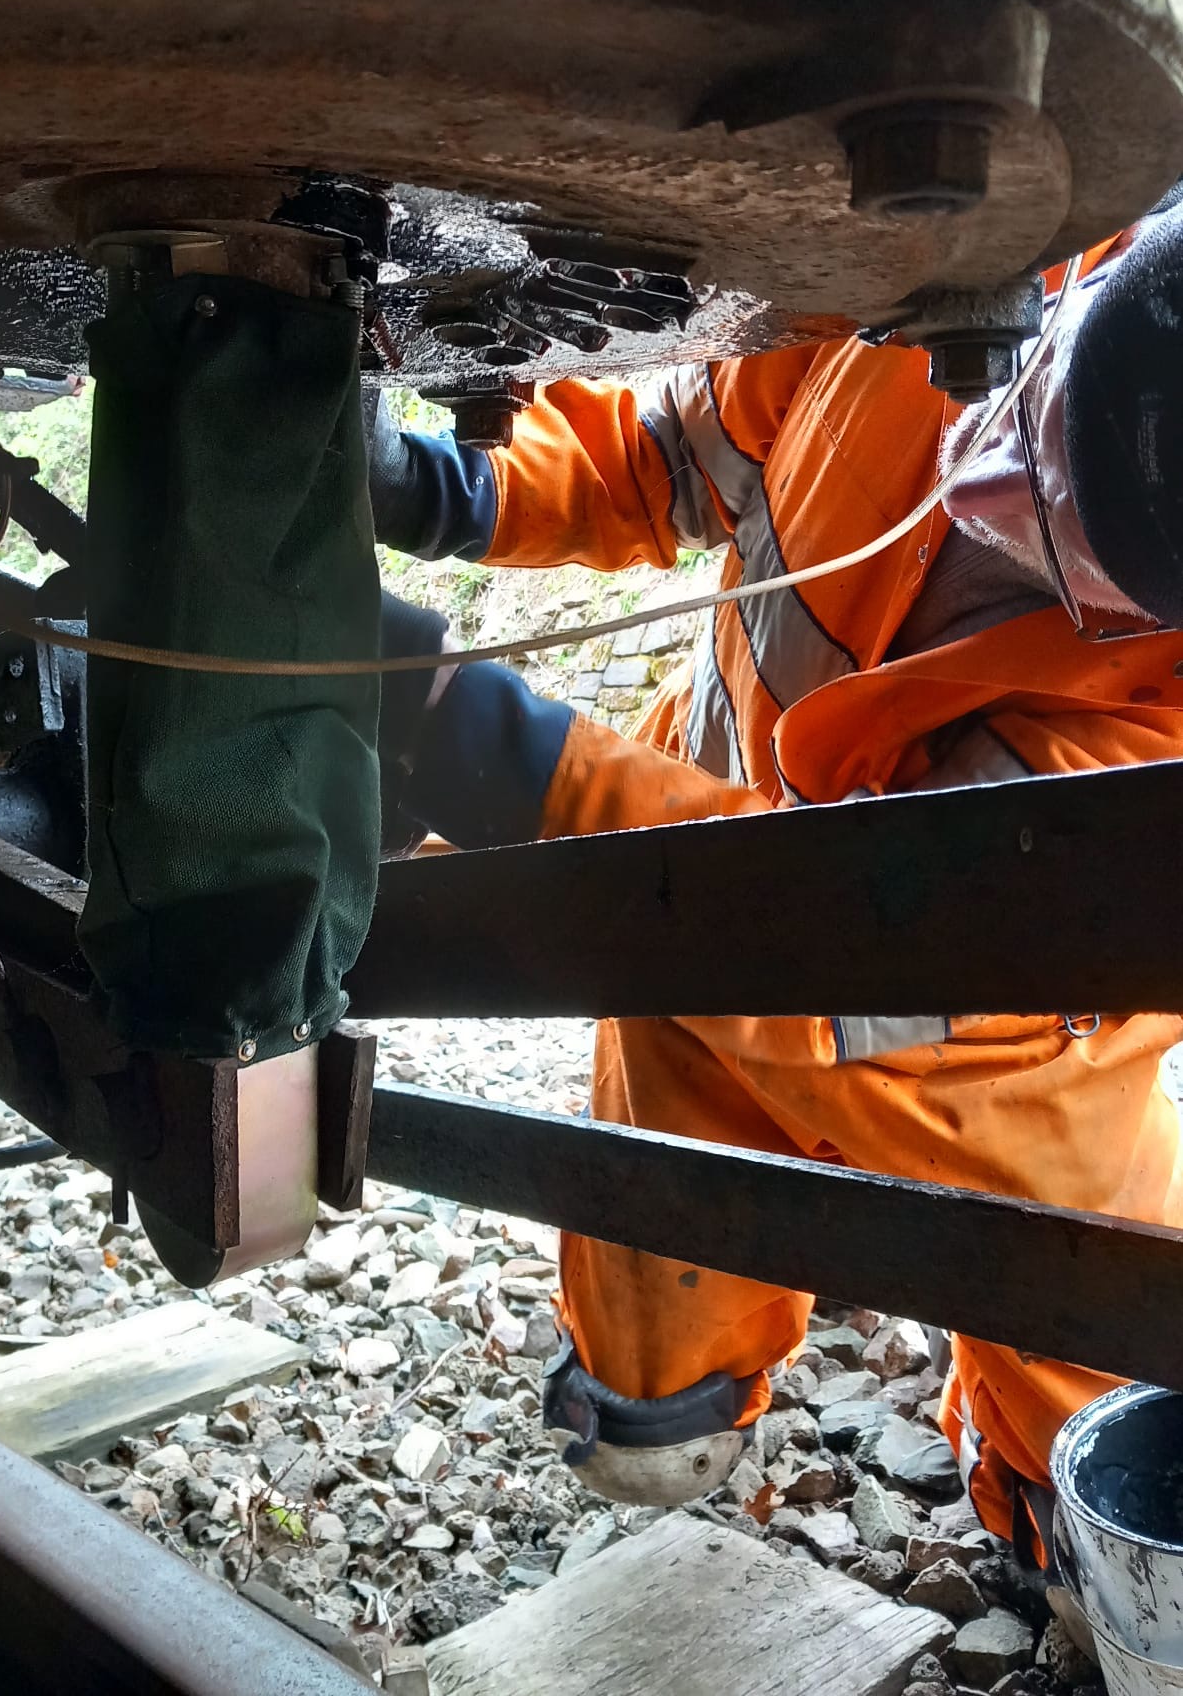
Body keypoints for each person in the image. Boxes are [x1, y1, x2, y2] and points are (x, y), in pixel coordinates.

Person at [370, 201, 1183, 1564]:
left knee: (1114, 1378)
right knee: (648, 1398)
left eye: (1060, 531)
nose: (986, 490)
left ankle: (1059, 1535)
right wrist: (442, 486)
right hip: (698, 884)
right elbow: (675, 453)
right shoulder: (960, 267)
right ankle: (664, 1404)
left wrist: (468, 738)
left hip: (971, 1026)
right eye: (1029, 415)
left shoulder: (1151, 779)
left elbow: (842, 939)